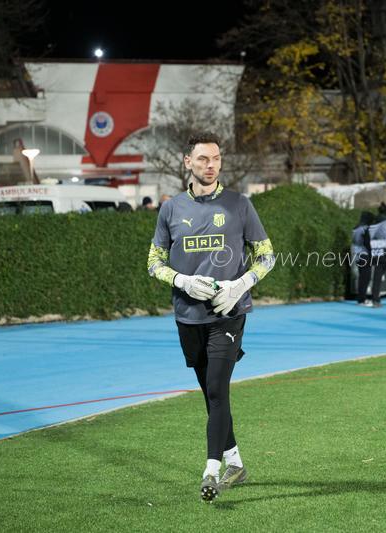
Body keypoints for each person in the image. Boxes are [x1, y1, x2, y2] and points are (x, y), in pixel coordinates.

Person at [147, 132, 275, 502]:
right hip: (188, 316)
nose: (211, 165)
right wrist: (182, 280)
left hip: (229, 314)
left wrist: (240, 285)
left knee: (218, 388)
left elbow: (267, 255)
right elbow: (153, 262)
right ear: (187, 162)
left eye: (216, 158)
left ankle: (212, 471)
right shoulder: (171, 209)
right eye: (203, 159)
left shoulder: (239, 205)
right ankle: (236, 462)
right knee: (210, 393)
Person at [352, 211, 375, 306]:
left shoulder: (356, 228)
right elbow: (368, 243)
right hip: (365, 254)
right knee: (366, 278)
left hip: (356, 254)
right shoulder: (366, 229)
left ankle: (360, 299)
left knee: (362, 277)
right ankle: (362, 299)